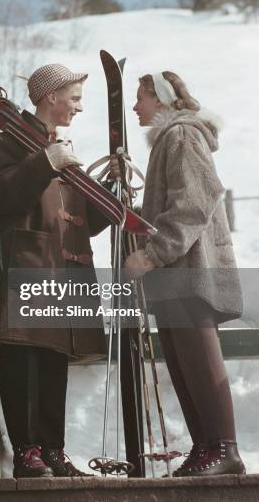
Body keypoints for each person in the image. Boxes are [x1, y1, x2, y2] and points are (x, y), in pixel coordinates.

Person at [0, 63, 109, 478]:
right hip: (28, 265)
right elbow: (1, 198)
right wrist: (45, 163)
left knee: (55, 361)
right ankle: (27, 451)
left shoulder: (64, 148)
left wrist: (113, 196)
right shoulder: (6, 144)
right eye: (74, 97)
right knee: (22, 359)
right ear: (50, 96)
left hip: (65, 270)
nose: (79, 106)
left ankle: (54, 450)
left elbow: (84, 221)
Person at [121, 70, 245, 477]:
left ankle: (225, 450)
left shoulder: (181, 135)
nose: (135, 107)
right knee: (182, 361)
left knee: (197, 357)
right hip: (178, 274)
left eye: (140, 98)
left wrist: (152, 255)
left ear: (160, 99)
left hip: (191, 270)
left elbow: (196, 201)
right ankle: (206, 448)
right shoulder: (169, 140)